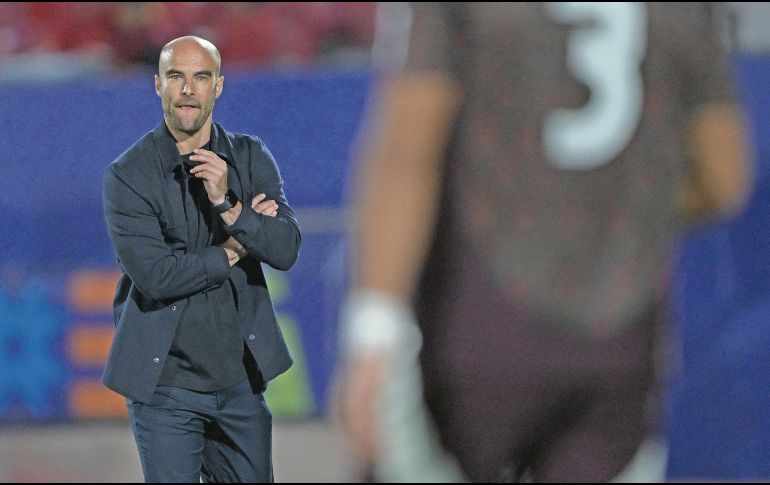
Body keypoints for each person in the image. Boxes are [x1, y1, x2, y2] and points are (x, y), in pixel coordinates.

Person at [339, 3, 752, 482]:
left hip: (477, 325)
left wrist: (373, 333)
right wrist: (619, 215)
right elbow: (723, 180)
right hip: (617, 335)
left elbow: (409, 150)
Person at [101, 35, 300, 483]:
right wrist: (235, 247)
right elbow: (157, 277)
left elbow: (285, 248)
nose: (188, 89)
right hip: (165, 387)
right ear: (158, 85)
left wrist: (229, 206)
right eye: (176, 77)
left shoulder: (249, 157)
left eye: (201, 77)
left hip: (240, 383)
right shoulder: (128, 176)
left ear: (218, 86)